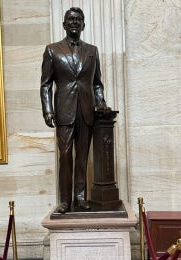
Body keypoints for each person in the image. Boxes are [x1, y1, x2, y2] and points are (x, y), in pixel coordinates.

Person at [40, 7, 112, 213]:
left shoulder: (92, 51)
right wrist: (48, 109)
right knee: (65, 155)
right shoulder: (52, 50)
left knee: (82, 156)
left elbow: (97, 83)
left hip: (86, 111)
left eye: (78, 19)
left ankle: (80, 198)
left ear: (83, 25)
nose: (74, 22)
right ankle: (65, 201)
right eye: (70, 19)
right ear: (64, 24)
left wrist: (100, 102)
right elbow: (45, 84)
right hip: (64, 110)